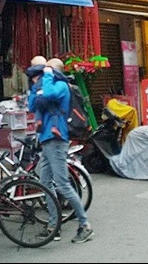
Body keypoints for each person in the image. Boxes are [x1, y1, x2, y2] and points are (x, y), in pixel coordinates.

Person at [27, 56, 93, 244]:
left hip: (57, 140)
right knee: (45, 183)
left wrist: (46, 77)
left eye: (47, 69)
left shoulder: (61, 86)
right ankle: (53, 226)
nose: (42, 72)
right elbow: (32, 105)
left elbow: (48, 95)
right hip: (47, 140)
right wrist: (34, 86)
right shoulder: (44, 85)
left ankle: (85, 225)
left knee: (62, 184)